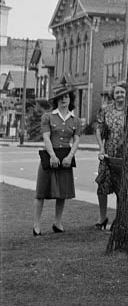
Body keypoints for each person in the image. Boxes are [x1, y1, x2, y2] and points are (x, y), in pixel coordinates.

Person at [33, 78, 82, 236]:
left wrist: (70, 156)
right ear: (56, 101)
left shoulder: (76, 120)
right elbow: (46, 137)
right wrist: (52, 156)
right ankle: (36, 225)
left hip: (65, 158)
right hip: (49, 158)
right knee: (41, 192)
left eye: (66, 96)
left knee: (62, 192)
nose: (63, 99)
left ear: (70, 99)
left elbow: (76, 139)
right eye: (60, 97)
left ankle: (57, 222)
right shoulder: (48, 117)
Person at [94, 81, 127, 231]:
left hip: (124, 154)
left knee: (121, 187)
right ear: (113, 95)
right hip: (107, 153)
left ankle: (120, 218)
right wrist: (101, 148)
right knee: (102, 184)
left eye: (122, 92)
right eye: (117, 92)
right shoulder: (106, 110)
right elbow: (99, 130)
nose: (119, 95)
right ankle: (102, 217)